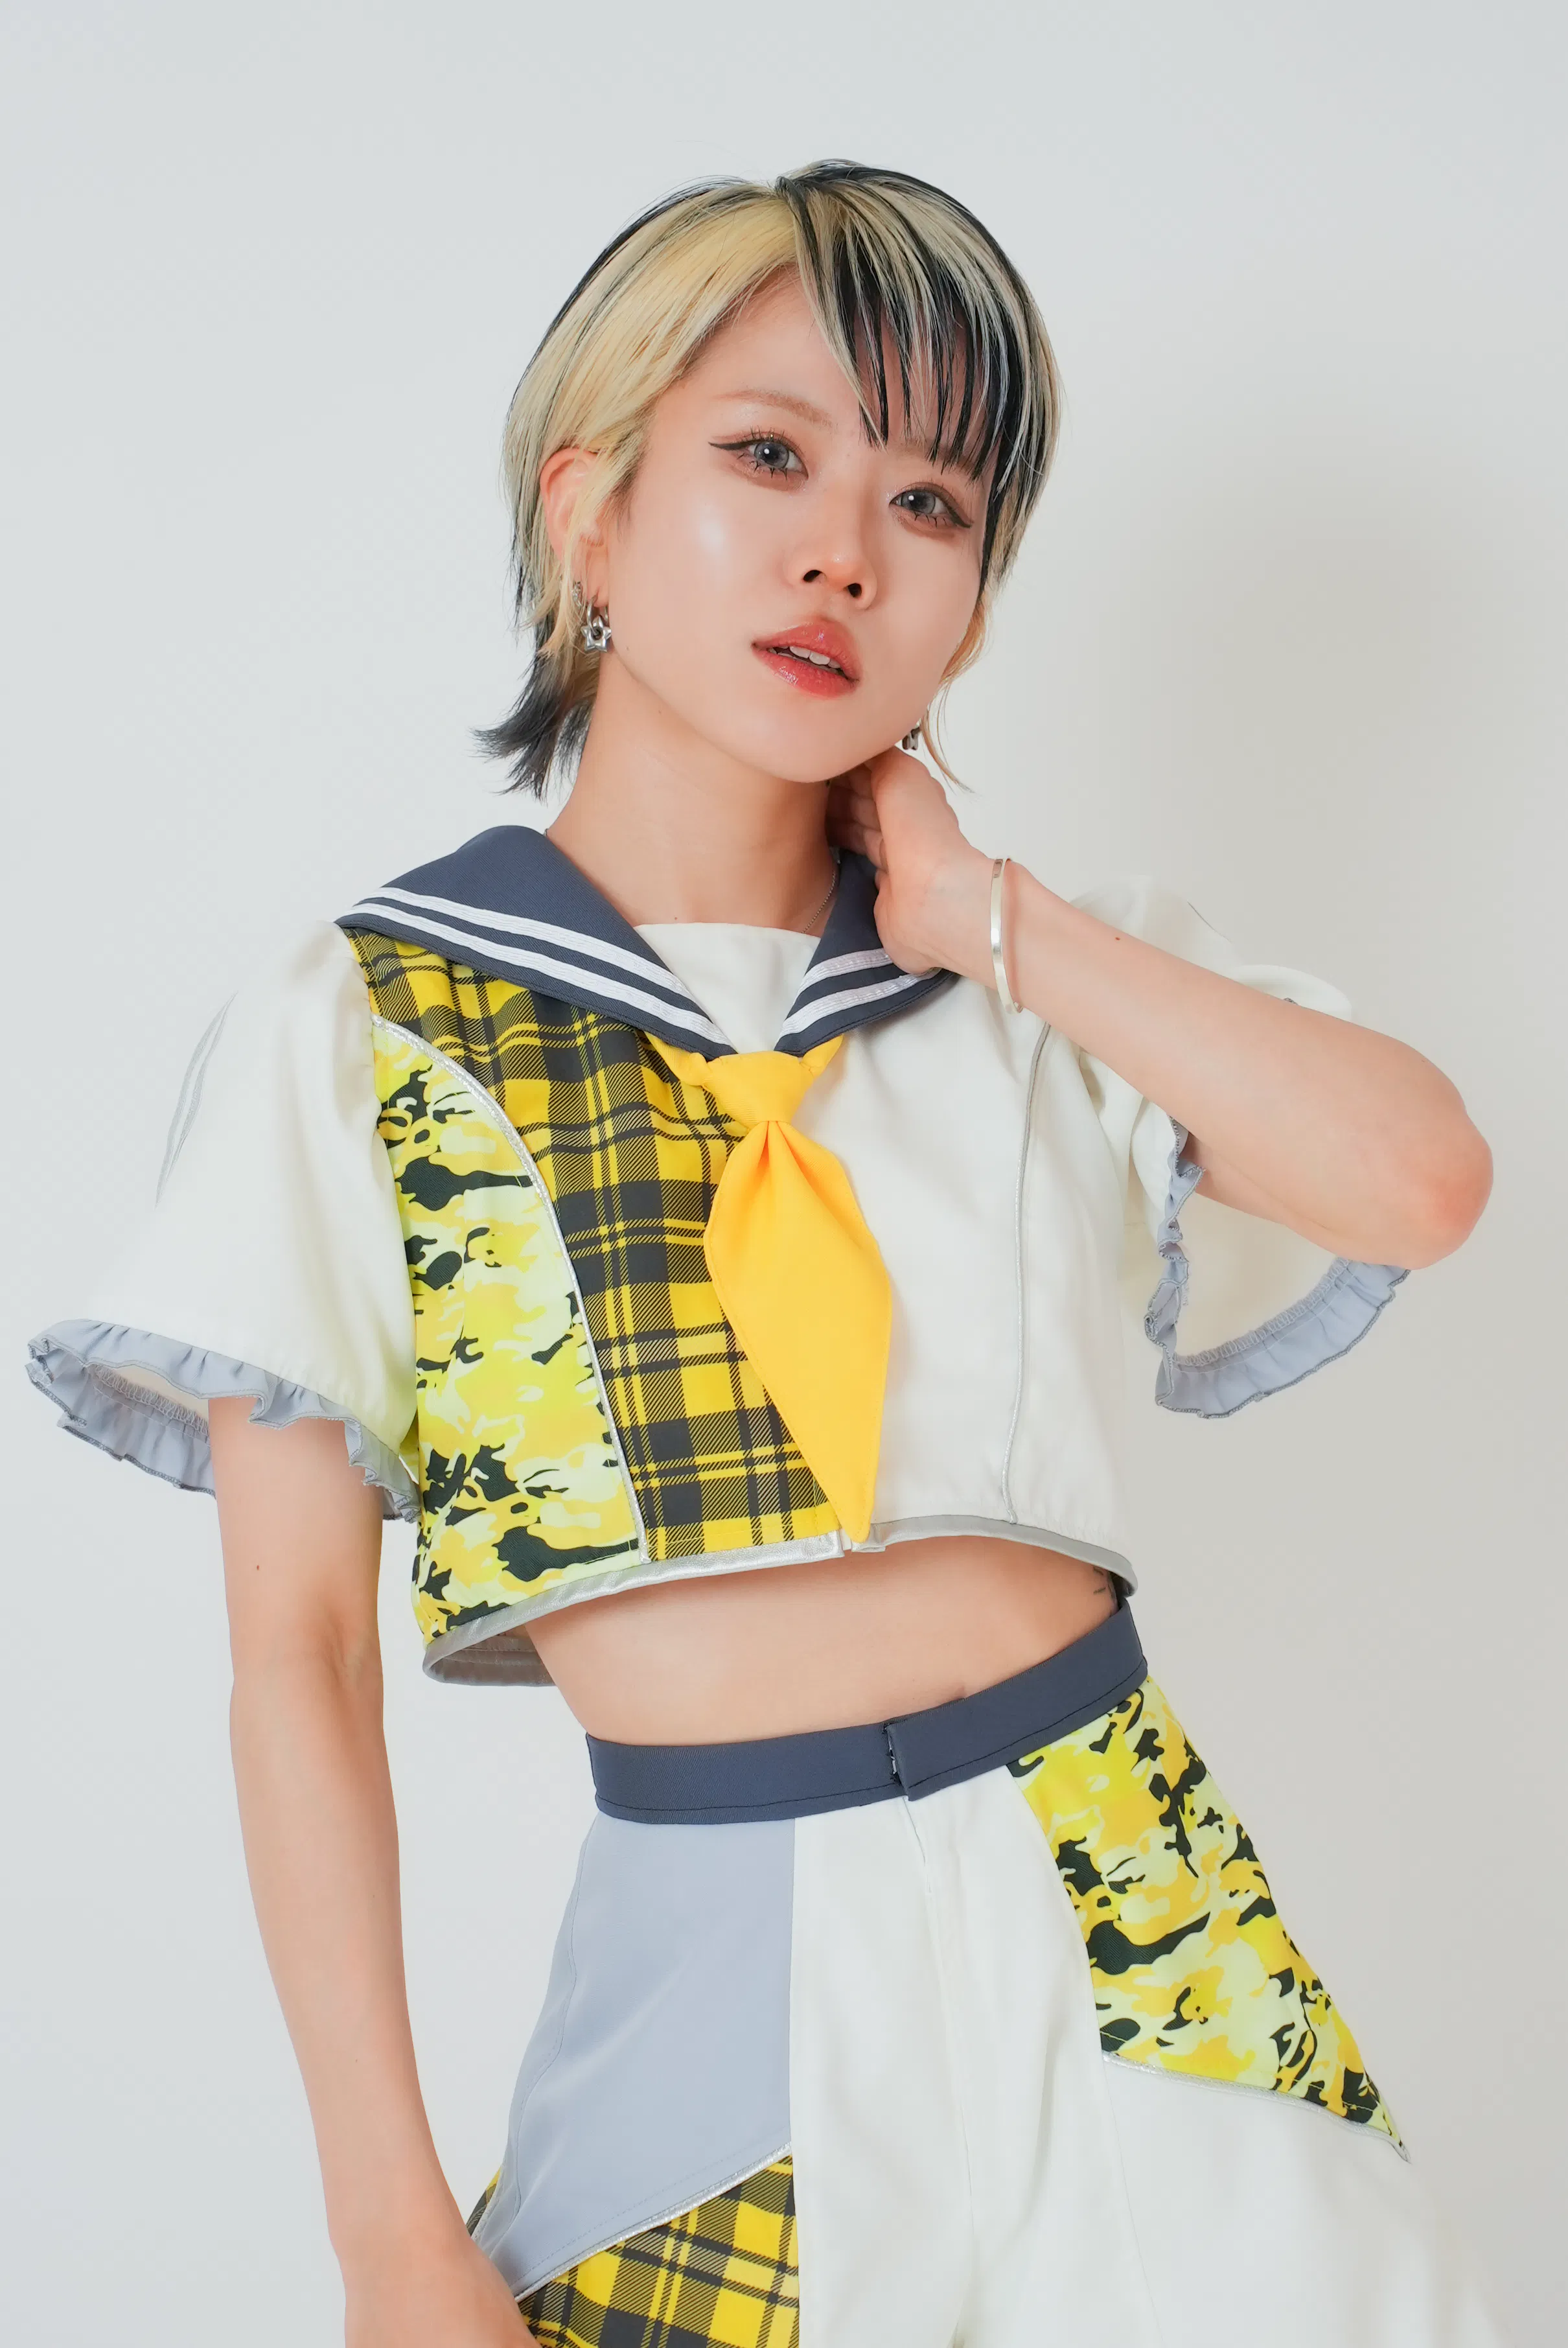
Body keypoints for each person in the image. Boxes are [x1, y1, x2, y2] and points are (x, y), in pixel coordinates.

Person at [27, 163, 1501, 2348]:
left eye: (928, 501)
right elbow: (297, 1662)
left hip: (1141, 1922)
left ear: (969, 602)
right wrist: (386, 2231)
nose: (842, 552)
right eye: (767, 454)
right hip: (712, 1962)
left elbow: (1418, 1180)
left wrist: (990, 919)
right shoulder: (362, 1029)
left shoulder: (1039, 984)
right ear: (588, 511)